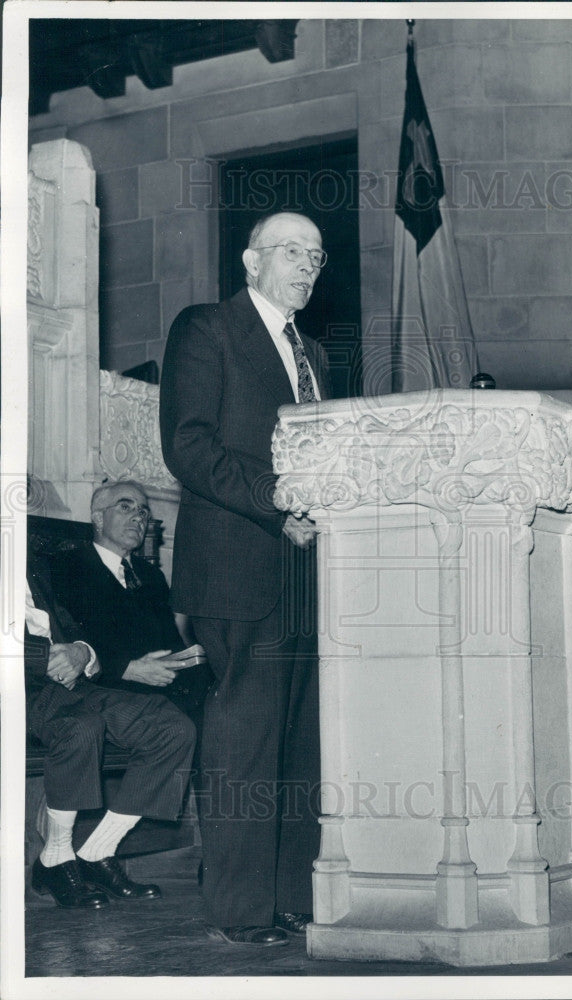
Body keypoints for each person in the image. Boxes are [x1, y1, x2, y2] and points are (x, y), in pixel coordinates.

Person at [159, 212, 329, 946]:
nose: (307, 265)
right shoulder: (208, 328)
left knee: (298, 746)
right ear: (250, 259)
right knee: (243, 744)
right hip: (236, 566)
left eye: (317, 256)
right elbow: (188, 446)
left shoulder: (314, 352)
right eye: (292, 250)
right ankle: (238, 908)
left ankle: (287, 895)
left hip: (307, 574)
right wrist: (279, 505)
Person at [25, 556, 196, 908]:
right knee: (81, 728)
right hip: (20, 691)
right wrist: (45, 657)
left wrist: (82, 651)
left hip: (73, 685)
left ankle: (96, 852)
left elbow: (75, 630)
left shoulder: (30, 567)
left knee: (172, 728)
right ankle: (55, 859)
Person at [51, 480, 213, 727]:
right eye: (125, 507)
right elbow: (71, 636)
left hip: (162, 685)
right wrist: (127, 668)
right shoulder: (69, 566)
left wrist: (190, 659)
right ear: (98, 518)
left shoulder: (151, 575)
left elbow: (171, 641)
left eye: (143, 511)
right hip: (106, 686)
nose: (138, 517)